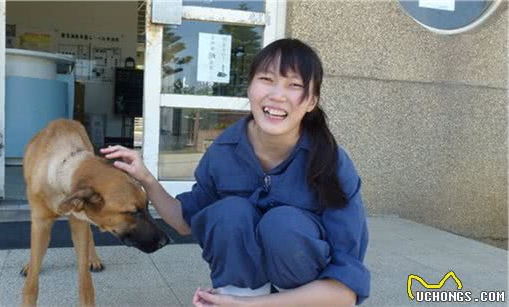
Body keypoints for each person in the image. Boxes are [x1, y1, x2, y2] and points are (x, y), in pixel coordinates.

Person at [101, 38, 370, 306]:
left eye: (294, 85)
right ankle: (243, 291)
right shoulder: (223, 152)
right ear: (250, 87)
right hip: (243, 294)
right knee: (230, 213)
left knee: (283, 224)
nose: (277, 95)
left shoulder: (331, 163)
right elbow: (185, 222)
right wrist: (146, 178)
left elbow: (345, 290)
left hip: (304, 297)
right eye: (267, 79)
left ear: (311, 101)